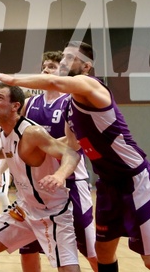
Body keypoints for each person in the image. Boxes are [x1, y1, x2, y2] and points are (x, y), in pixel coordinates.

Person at [0, 41, 150, 272]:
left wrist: (12, 81)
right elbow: (70, 146)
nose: (63, 62)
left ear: (86, 67)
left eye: (70, 58)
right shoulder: (70, 107)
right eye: (62, 58)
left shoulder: (93, 86)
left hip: (135, 179)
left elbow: (54, 81)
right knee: (102, 254)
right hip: (107, 184)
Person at [0, 83, 81, 272]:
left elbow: (72, 154)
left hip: (53, 212)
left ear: (15, 106)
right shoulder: (5, 131)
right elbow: (9, 149)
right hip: (24, 209)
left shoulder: (32, 132)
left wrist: (59, 175)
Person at [19, 51, 98, 272]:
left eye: (51, 67)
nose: (46, 71)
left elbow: (76, 141)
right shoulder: (29, 103)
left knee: (89, 247)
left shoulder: (73, 100)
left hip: (71, 180)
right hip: (37, 185)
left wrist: (42, 144)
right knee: (28, 247)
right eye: (44, 67)